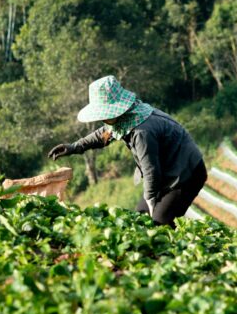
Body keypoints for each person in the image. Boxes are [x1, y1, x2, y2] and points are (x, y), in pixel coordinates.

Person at [48, 76, 207, 227]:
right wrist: (74, 147)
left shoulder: (141, 131)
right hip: (168, 172)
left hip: (186, 174)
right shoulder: (127, 117)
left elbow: (150, 169)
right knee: (140, 220)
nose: (103, 119)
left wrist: (151, 199)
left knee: (159, 225)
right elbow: (103, 134)